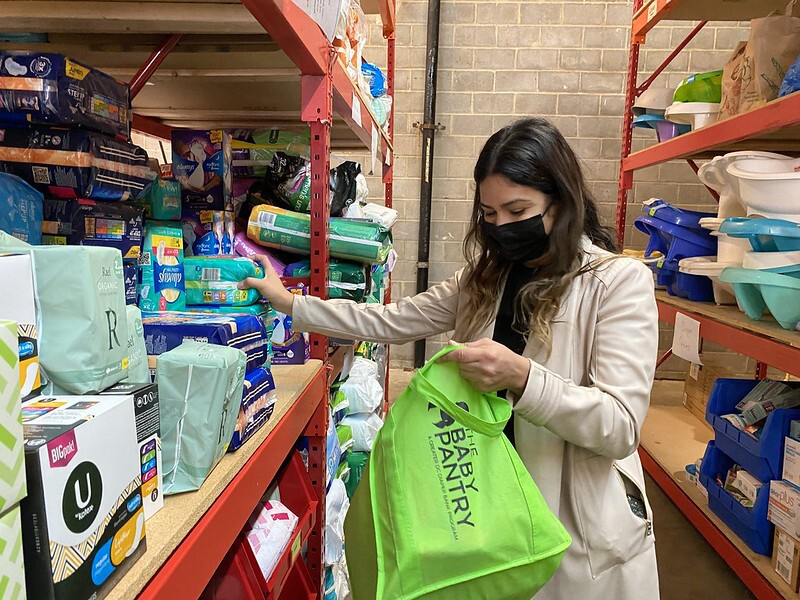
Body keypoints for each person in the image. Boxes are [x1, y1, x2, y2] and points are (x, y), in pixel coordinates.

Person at [241, 118, 660, 600]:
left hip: (573, 521)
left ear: (562, 201)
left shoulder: (617, 283)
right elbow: (392, 320)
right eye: (490, 213)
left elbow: (620, 425)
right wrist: (293, 304)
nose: (502, 227)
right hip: (484, 503)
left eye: (517, 209)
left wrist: (523, 378)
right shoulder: (484, 281)